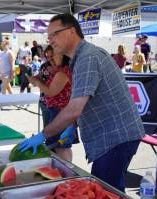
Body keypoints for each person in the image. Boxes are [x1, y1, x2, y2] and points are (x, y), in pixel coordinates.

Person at [19, 13, 145, 192]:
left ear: (71, 31)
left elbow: (74, 108)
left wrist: (43, 135)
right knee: (109, 189)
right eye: (49, 36)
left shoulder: (88, 57)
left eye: (55, 34)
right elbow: (87, 101)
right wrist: (74, 125)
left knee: (104, 191)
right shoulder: (80, 59)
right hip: (112, 135)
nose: (51, 40)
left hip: (116, 136)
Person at [28, 48, 77, 161]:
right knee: (62, 145)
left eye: (52, 56)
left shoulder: (63, 72)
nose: (50, 59)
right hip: (60, 110)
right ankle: (68, 171)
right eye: (48, 57)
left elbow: (51, 92)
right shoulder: (59, 70)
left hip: (61, 111)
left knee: (61, 147)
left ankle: (67, 172)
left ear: (61, 55)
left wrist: (37, 82)